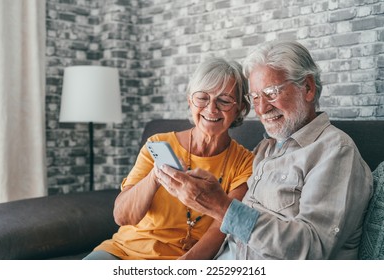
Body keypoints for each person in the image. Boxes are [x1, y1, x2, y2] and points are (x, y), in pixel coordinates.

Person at [156, 40, 373, 259]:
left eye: (271, 93)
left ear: (307, 88)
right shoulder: (265, 149)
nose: (261, 109)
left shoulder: (335, 151)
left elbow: (312, 249)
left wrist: (222, 206)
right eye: (256, 97)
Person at [83, 57, 254, 260]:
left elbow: (222, 227)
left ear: (240, 108)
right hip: (122, 252)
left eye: (224, 100)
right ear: (190, 100)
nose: (211, 108)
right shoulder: (158, 144)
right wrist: (155, 177)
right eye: (202, 97)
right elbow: (122, 216)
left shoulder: (245, 162)